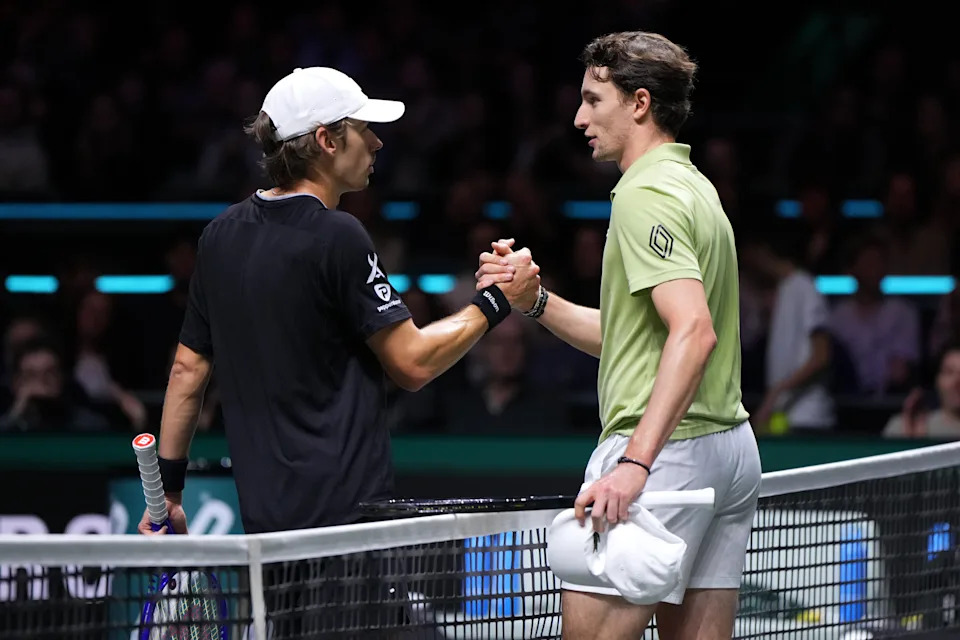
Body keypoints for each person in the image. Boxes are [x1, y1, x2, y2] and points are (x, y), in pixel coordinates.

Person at [136, 66, 534, 537]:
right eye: (365, 131)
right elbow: (412, 363)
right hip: (347, 524)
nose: (378, 144)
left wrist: (172, 496)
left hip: (265, 526)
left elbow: (186, 373)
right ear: (327, 140)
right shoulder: (337, 234)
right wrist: (495, 301)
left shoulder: (218, 236)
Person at [476, 31, 761, 640]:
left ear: (638, 103)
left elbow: (694, 332)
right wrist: (536, 301)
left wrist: (635, 462)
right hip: (728, 449)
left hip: (666, 455)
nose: (579, 118)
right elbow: (636, 338)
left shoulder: (644, 195)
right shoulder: (695, 188)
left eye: (592, 100)